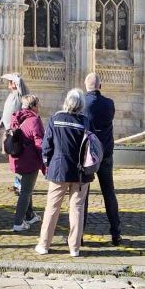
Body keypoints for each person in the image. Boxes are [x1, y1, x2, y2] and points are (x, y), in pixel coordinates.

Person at [35, 88, 90, 257]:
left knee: (52, 207)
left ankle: (44, 244)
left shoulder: (55, 119)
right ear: (81, 104)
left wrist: (46, 163)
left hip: (58, 169)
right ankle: (74, 247)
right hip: (80, 171)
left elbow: (46, 146)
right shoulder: (85, 122)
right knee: (77, 209)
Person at [83, 73, 122, 245]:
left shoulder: (82, 103)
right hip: (105, 153)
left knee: (82, 195)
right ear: (100, 86)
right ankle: (116, 232)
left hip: (87, 155)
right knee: (109, 193)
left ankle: (79, 235)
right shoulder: (109, 103)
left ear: (86, 86)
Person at [8, 94, 44, 232]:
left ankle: (30, 215)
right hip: (29, 161)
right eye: (38, 104)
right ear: (33, 106)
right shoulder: (34, 120)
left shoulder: (16, 117)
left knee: (26, 188)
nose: (39, 107)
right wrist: (45, 159)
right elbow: (39, 142)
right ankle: (18, 223)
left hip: (16, 159)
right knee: (26, 191)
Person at [0, 73, 29, 194]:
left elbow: (19, 113)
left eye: (10, 82)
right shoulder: (11, 96)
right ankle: (17, 183)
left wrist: (16, 79)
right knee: (14, 159)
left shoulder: (20, 97)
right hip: (9, 132)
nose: (8, 85)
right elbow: (6, 115)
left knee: (18, 158)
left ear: (14, 84)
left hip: (17, 133)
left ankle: (19, 185)